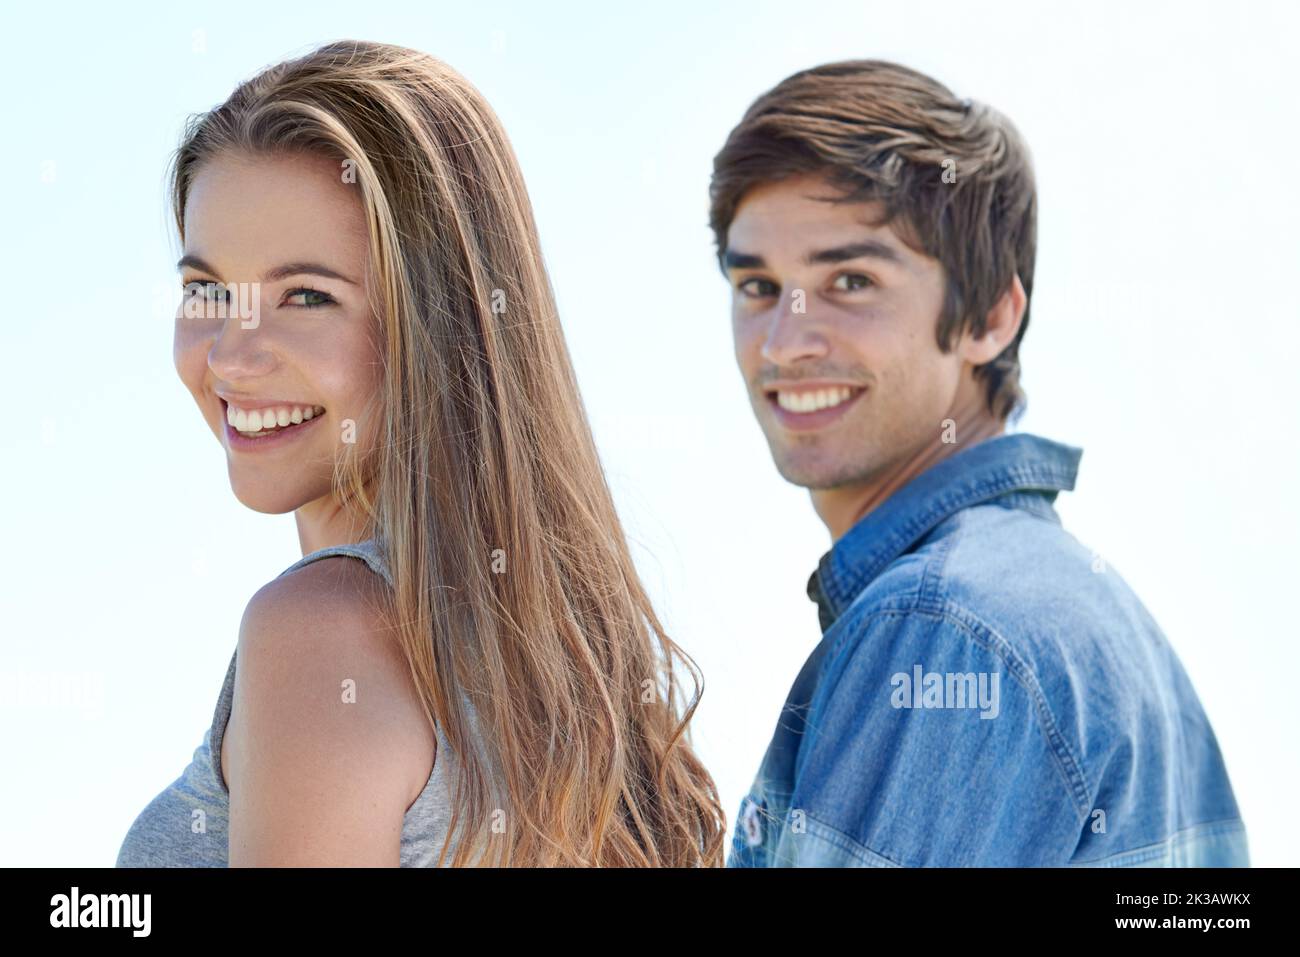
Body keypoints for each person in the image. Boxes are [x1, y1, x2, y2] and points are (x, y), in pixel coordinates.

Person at [117, 39, 725, 867]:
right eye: (208, 290)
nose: (229, 356)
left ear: (440, 320)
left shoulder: (320, 631)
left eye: (306, 296)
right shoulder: (580, 685)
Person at [709, 59, 1248, 866]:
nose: (785, 343)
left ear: (992, 315)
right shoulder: (1087, 613)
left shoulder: (944, 625)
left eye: (849, 280)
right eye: (758, 285)